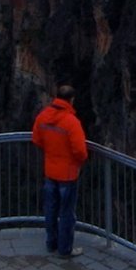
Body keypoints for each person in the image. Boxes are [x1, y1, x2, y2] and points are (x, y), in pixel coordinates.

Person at [32, 83, 89, 257]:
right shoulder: (71, 122)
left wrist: (51, 151)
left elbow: (36, 139)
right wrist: (77, 162)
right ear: (71, 100)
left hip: (50, 171)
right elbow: (80, 151)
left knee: (50, 209)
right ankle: (65, 249)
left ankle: (51, 243)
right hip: (68, 174)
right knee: (66, 214)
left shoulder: (43, 117)